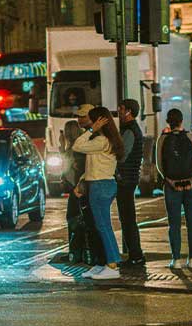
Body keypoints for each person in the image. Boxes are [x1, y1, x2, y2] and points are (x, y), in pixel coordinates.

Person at [72, 106, 126, 280]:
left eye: (92, 120)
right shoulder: (110, 140)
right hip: (105, 184)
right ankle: (105, 263)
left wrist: (90, 130)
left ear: (99, 122)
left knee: (103, 226)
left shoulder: (101, 141)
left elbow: (77, 145)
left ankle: (112, 265)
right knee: (102, 225)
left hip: (99, 185)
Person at [155, 108, 192, 269]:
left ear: (168, 121)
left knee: (174, 223)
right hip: (191, 186)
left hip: (171, 186)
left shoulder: (162, 139)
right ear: (182, 120)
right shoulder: (191, 136)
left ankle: (176, 260)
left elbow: (159, 163)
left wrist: (169, 180)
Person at [63, 104, 103, 263]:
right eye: (78, 116)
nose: (79, 119)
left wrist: (80, 183)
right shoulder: (86, 136)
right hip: (80, 184)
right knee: (77, 218)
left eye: (83, 116)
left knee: (84, 220)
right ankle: (80, 252)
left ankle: (88, 253)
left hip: (85, 185)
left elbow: (87, 161)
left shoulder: (91, 137)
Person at [116, 98, 145, 265]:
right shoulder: (131, 129)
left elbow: (122, 155)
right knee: (127, 217)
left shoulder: (129, 131)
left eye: (121, 109)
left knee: (127, 218)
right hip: (129, 178)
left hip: (126, 179)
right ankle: (135, 254)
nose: (118, 112)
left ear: (128, 111)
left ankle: (135, 254)